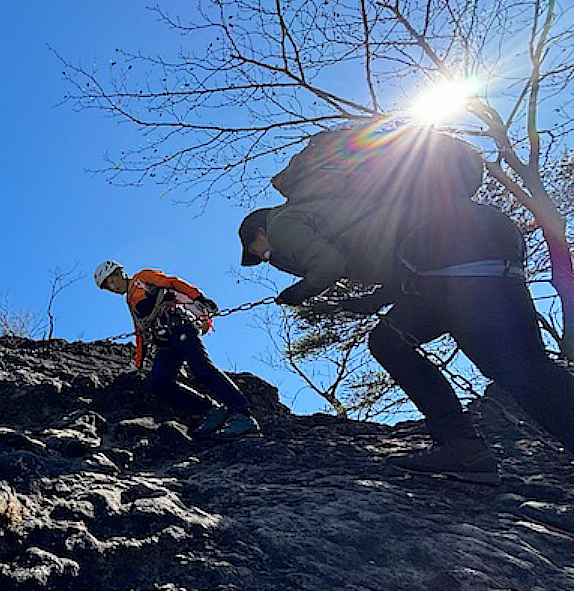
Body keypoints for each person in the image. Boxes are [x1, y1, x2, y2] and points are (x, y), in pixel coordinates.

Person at [240, 203, 574, 483]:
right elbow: (399, 255)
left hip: (453, 263)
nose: (267, 257)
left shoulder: (282, 223)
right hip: (480, 252)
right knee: (389, 341)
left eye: (260, 253)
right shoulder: (330, 208)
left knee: (520, 369)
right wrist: (372, 301)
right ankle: (463, 449)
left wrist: (298, 293)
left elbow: (328, 266)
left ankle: (465, 449)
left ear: (258, 233)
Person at [94, 260, 261, 440]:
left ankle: (243, 415)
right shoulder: (130, 301)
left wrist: (199, 298)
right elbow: (140, 331)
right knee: (158, 383)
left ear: (120, 273)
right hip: (165, 341)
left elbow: (172, 282)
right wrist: (138, 363)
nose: (111, 287)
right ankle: (211, 410)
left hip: (180, 326)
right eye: (107, 287)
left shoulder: (143, 278)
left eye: (111, 281)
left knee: (202, 369)